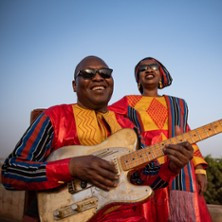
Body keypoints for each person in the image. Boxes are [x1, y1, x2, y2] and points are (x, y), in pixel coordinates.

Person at [2, 56, 194, 222]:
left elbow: (145, 179)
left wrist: (171, 168)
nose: (97, 77)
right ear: (74, 85)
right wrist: (71, 167)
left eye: (105, 73)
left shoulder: (129, 127)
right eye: (87, 73)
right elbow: (10, 173)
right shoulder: (55, 116)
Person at [109, 57, 212, 222]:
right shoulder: (128, 101)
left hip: (179, 163)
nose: (149, 70)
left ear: (161, 74)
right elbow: (105, 115)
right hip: (146, 165)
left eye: (153, 67)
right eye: (143, 69)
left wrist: (199, 169)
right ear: (138, 79)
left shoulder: (176, 104)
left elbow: (188, 136)